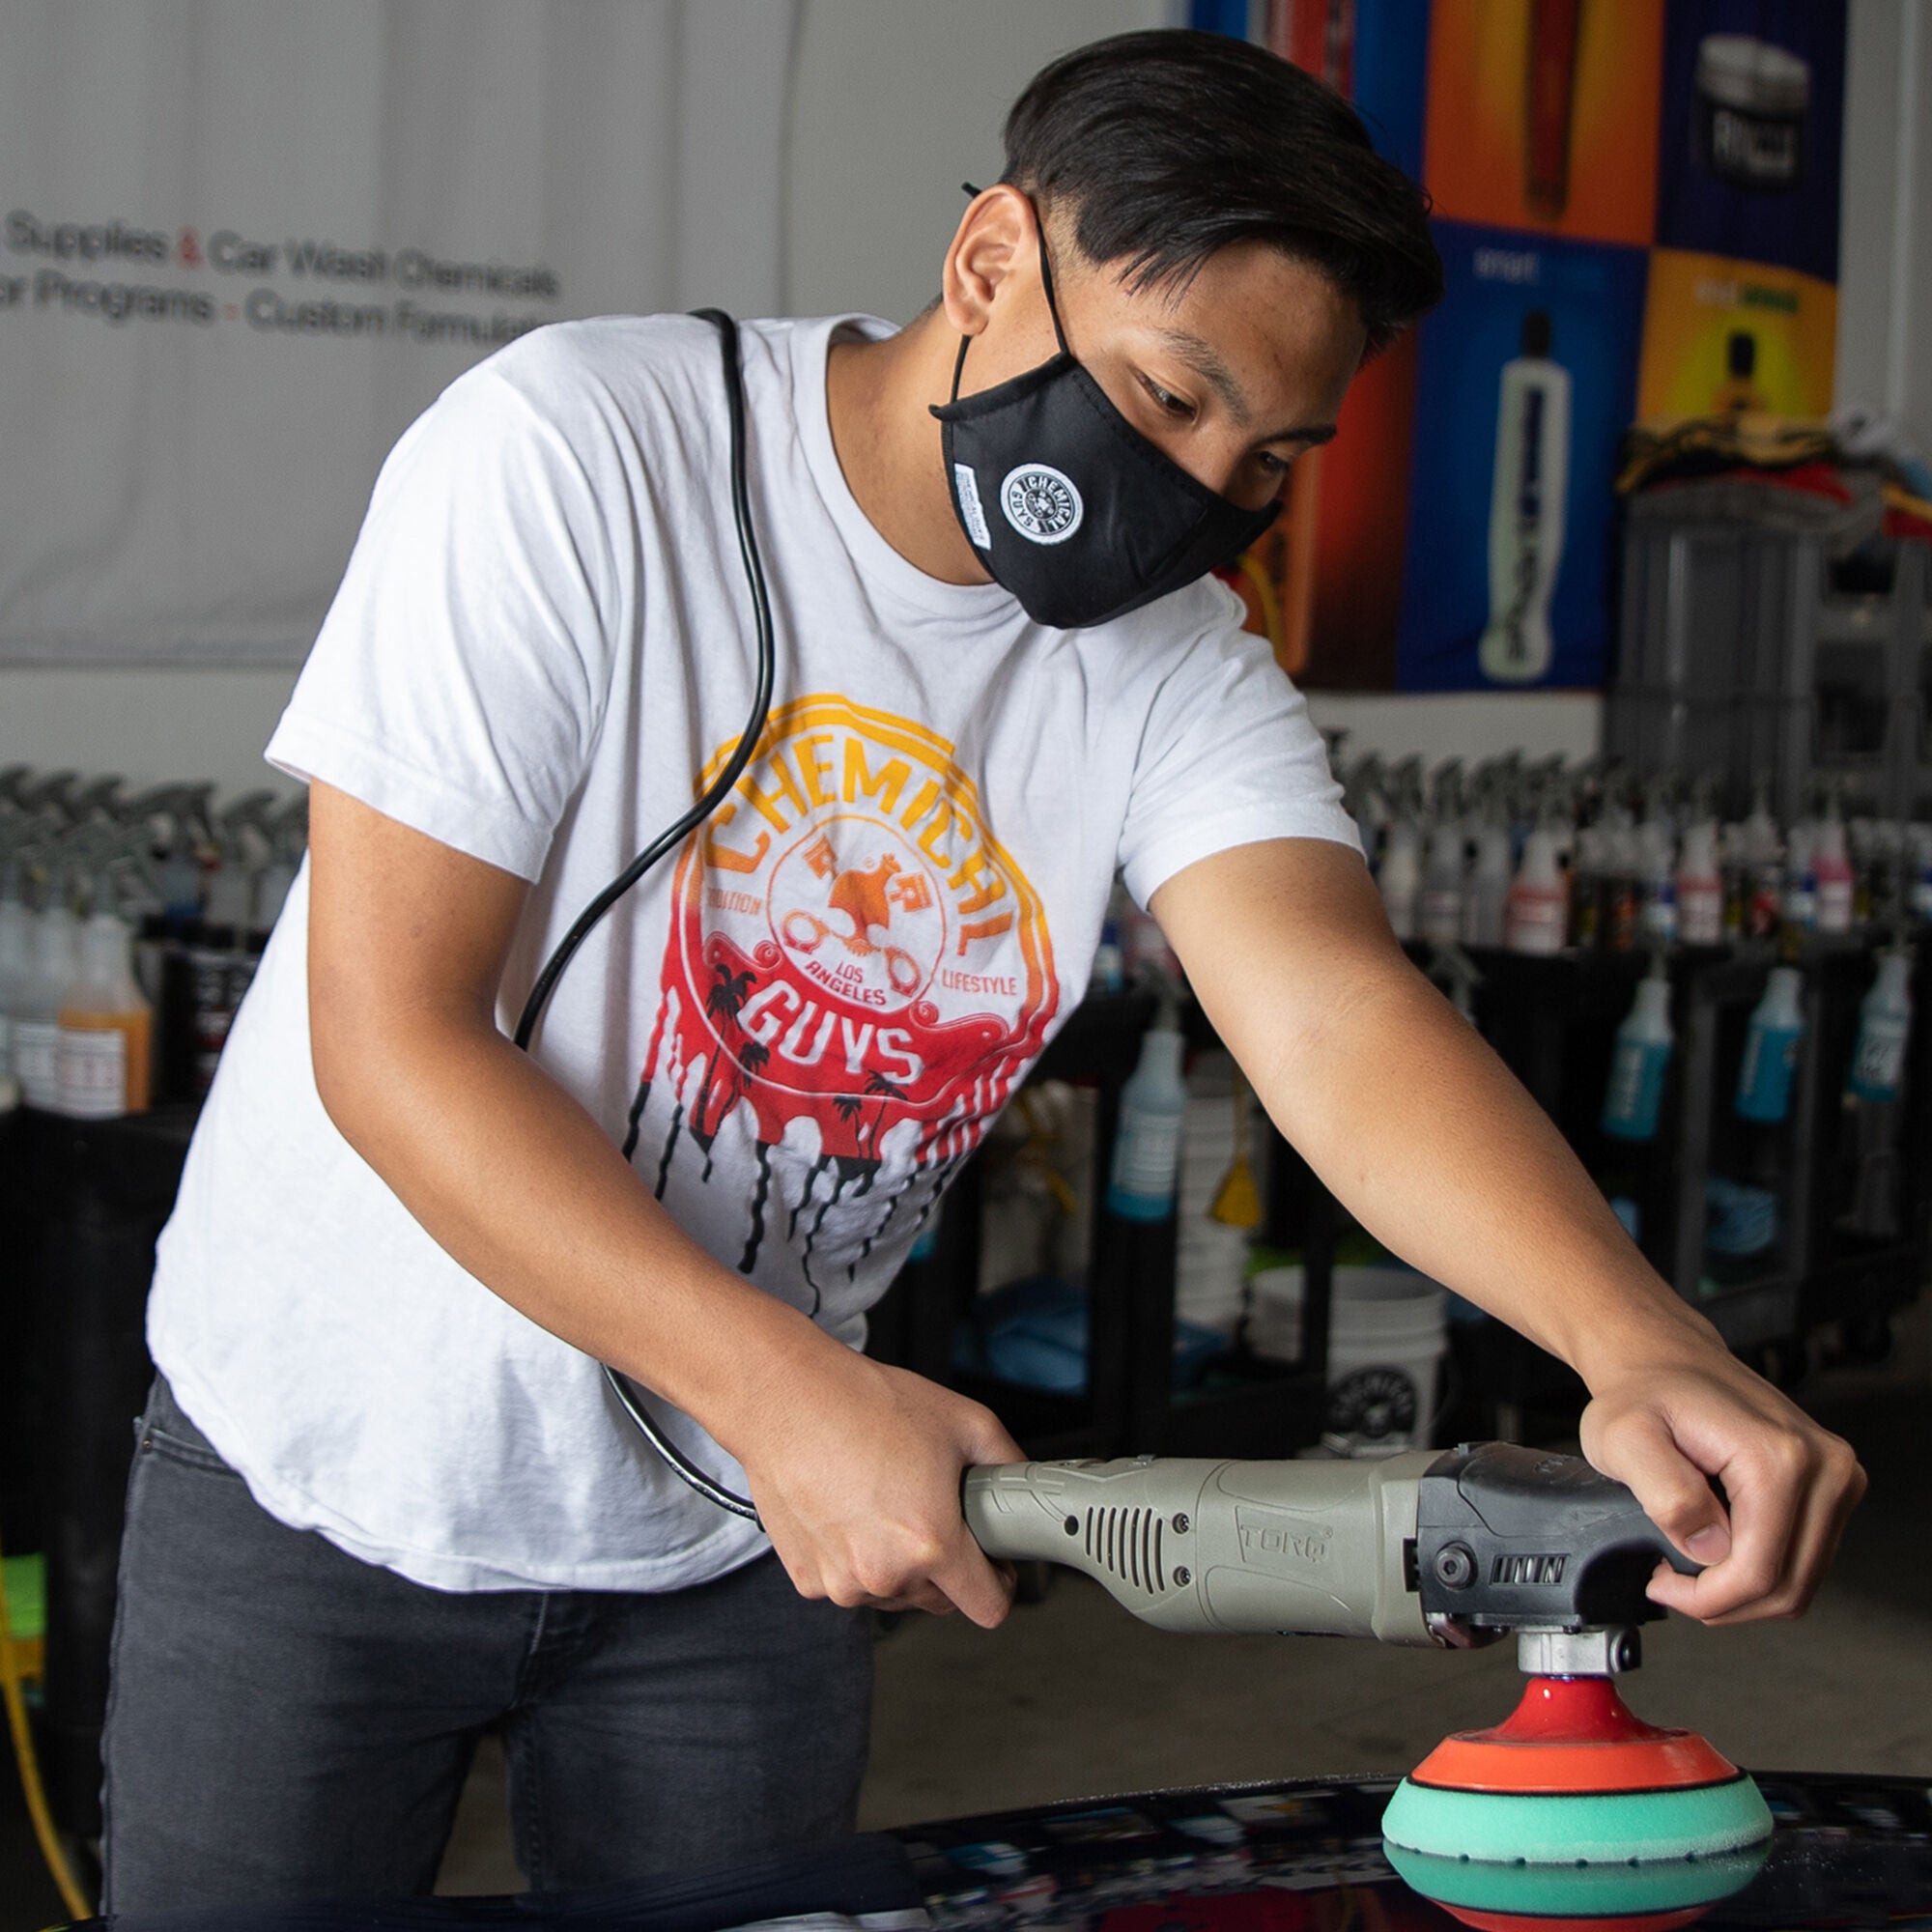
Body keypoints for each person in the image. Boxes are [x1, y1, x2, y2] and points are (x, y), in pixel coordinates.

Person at [102, 27, 1864, 1914]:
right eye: (1169, 397)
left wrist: (1638, 1341)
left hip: (737, 1534)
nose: (1200, 491)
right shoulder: (574, 452)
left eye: (1269, 459)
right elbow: (393, 1037)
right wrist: (787, 1395)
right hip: (325, 1465)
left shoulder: (1171, 657)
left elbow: (1334, 1016)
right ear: (992, 261)